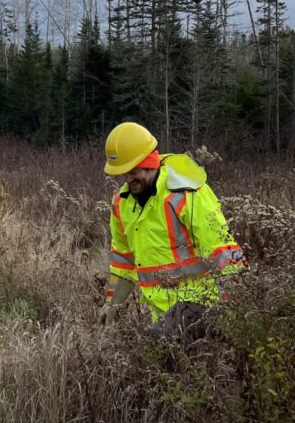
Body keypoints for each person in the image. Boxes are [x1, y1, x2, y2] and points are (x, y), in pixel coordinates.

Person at [100, 121, 246, 342]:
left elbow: (223, 251)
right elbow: (123, 261)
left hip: (201, 302)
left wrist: (233, 311)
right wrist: (112, 305)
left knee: (156, 345)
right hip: (158, 313)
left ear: (150, 163)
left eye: (133, 171)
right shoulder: (122, 203)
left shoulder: (188, 194)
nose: (128, 179)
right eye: (123, 174)